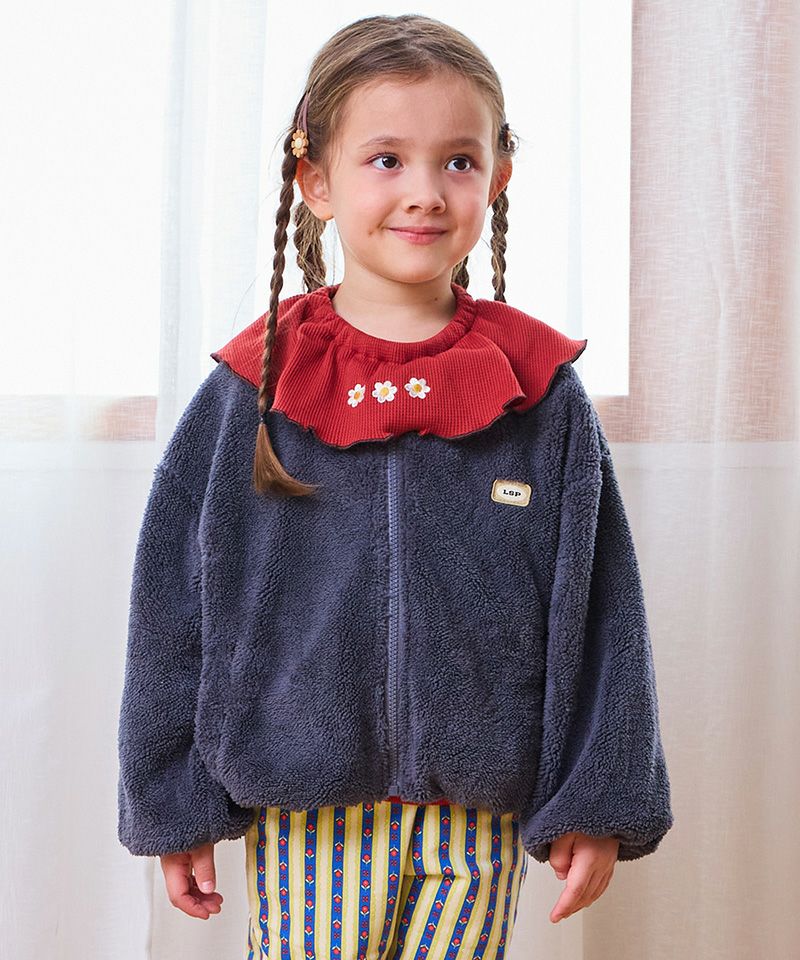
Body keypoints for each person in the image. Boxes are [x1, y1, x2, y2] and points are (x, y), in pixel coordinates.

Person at [116, 13, 674, 958]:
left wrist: (598, 795)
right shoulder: (253, 387)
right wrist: (173, 798)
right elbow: (174, 604)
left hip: (478, 814)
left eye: (458, 160)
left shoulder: (538, 391)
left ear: (498, 176)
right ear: (316, 181)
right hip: (309, 818)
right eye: (386, 159)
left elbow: (601, 607)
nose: (424, 191)